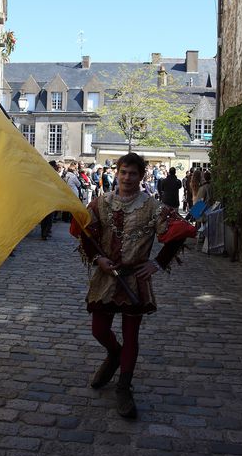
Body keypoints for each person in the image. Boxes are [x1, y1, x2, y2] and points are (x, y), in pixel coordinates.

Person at [75, 153, 187, 419]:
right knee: (99, 329)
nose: (127, 178)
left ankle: (124, 386)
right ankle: (114, 355)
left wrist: (158, 263)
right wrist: (97, 257)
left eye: (133, 173)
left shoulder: (152, 207)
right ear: (117, 172)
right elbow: (83, 230)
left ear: (141, 176)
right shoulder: (101, 203)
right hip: (106, 276)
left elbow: (179, 231)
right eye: (123, 172)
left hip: (134, 280)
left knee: (131, 334)